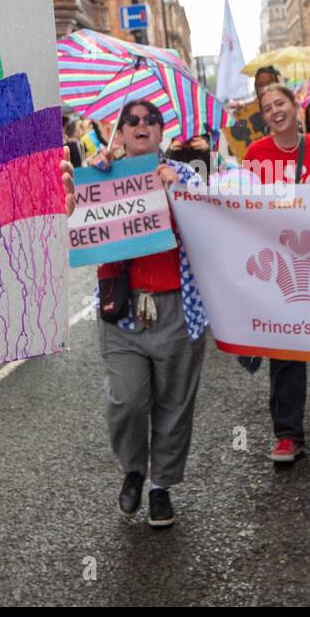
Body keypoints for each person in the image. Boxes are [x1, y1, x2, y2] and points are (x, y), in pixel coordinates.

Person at [89, 101, 208, 528]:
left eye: (150, 120)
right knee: (127, 398)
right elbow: (75, 223)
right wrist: (86, 179)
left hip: (177, 307)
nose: (141, 126)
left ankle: (161, 487)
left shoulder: (185, 175)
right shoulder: (99, 175)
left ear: (162, 132)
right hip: (122, 308)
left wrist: (180, 192)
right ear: (119, 132)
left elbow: (212, 227)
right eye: (131, 121)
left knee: (174, 401)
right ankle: (133, 469)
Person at [243, 85, 310, 463]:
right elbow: (245, 206)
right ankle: (288, 434)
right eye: (267, 108)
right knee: (284, 347)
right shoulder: (255, 154)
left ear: (294, 106)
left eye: (280, 103)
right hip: (278, 266)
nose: (275, 111)